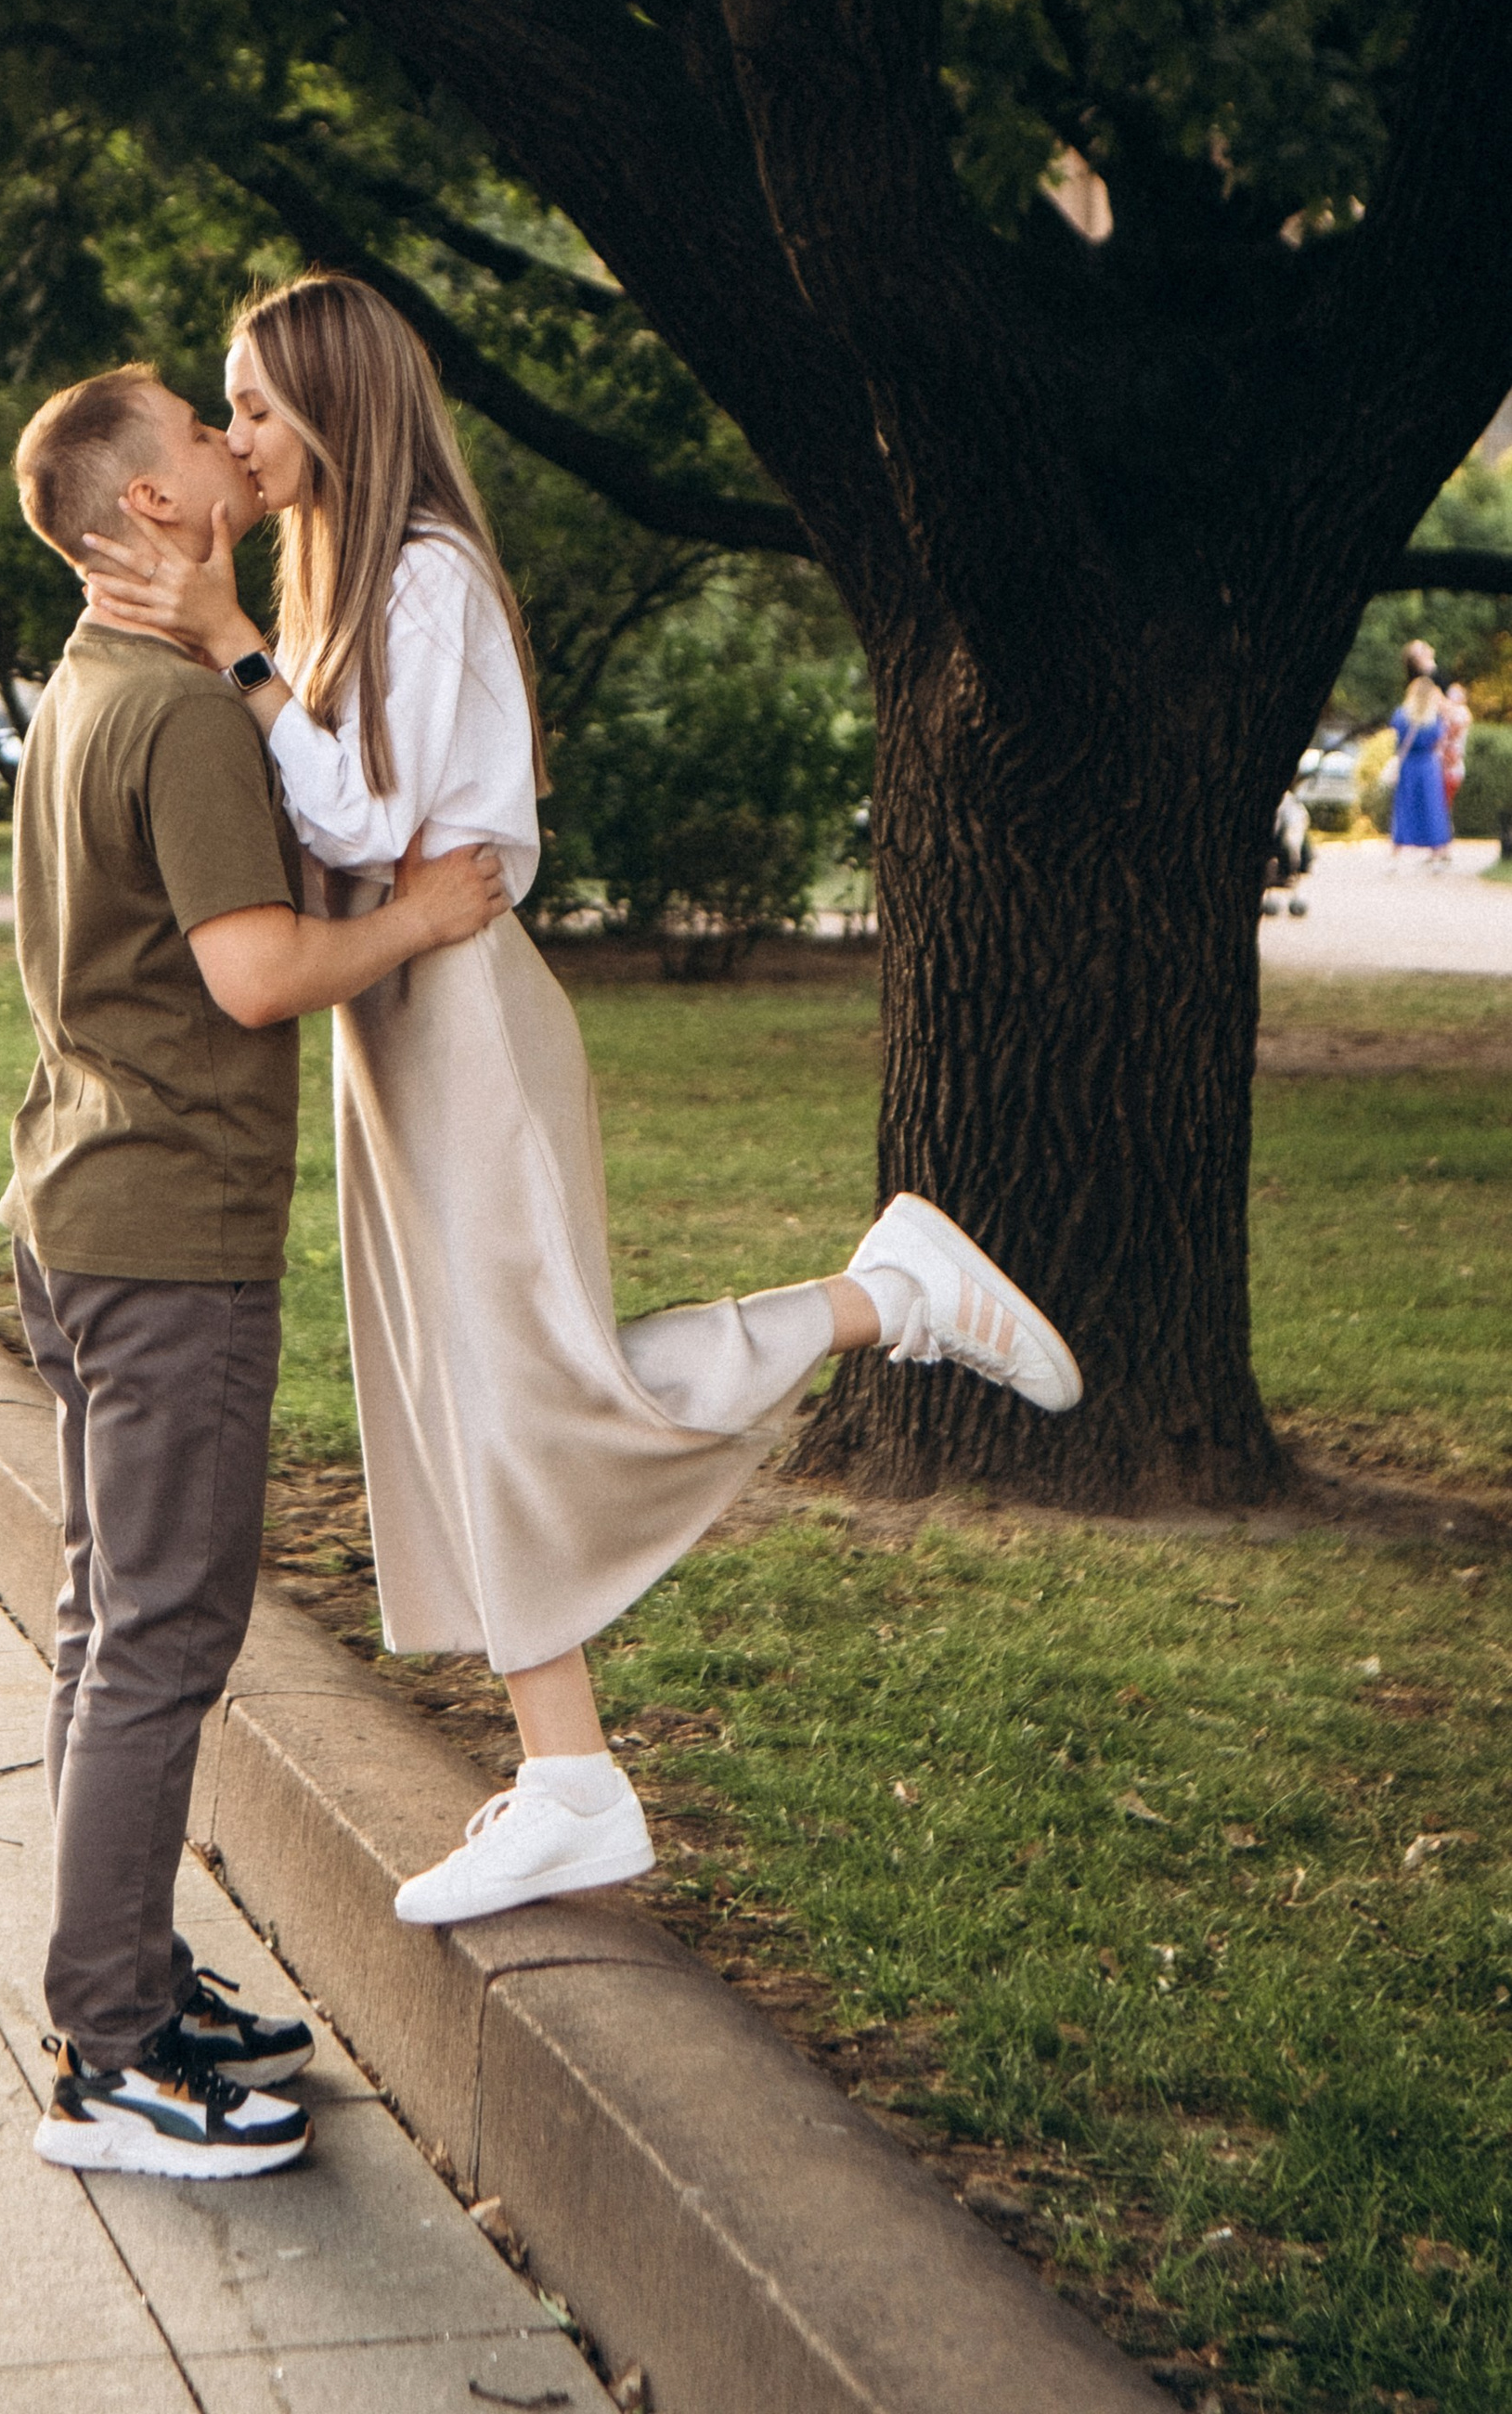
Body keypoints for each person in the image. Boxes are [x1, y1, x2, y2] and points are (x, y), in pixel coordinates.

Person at [84, 273, 1083, 1930]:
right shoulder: (345, 581)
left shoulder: (423, 577)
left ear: (337, 409)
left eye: (253, 403)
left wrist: (237, 650)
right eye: (227, 408)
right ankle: (566, 1778)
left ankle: (890, 1295)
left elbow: (372, 822)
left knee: (549, 1388)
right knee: (476, 1404)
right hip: (394, 1022)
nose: (237, 434)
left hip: (458, 1012)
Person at [4, 362, 509, 2181]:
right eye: (195, 429)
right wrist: (414, 922)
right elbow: (249, 971)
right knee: (158, 1641)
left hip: (77, 1213)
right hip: (168, 1243)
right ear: (147, 504)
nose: (231, 445)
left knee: (105, 1627)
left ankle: (119, 1982)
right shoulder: (183, 718)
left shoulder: (83, 685)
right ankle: (108, 2059)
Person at [1390, 671, 1454, 870]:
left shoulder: (1402, 714)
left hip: (1408, 764)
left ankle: (1396, 852)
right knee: (1432, 807)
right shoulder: (1434, 717)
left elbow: (1397, 737)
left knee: (1405, 805)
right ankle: (1436, 853)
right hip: (1428, 764)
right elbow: (1438, 738)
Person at [1442, 678, 1472, 827]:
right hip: (1447, 761)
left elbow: (1453, 732)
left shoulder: (1461, 713)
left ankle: (1444, 829)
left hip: (1452, 762)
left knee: (1445, 798)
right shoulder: (1449, 713)